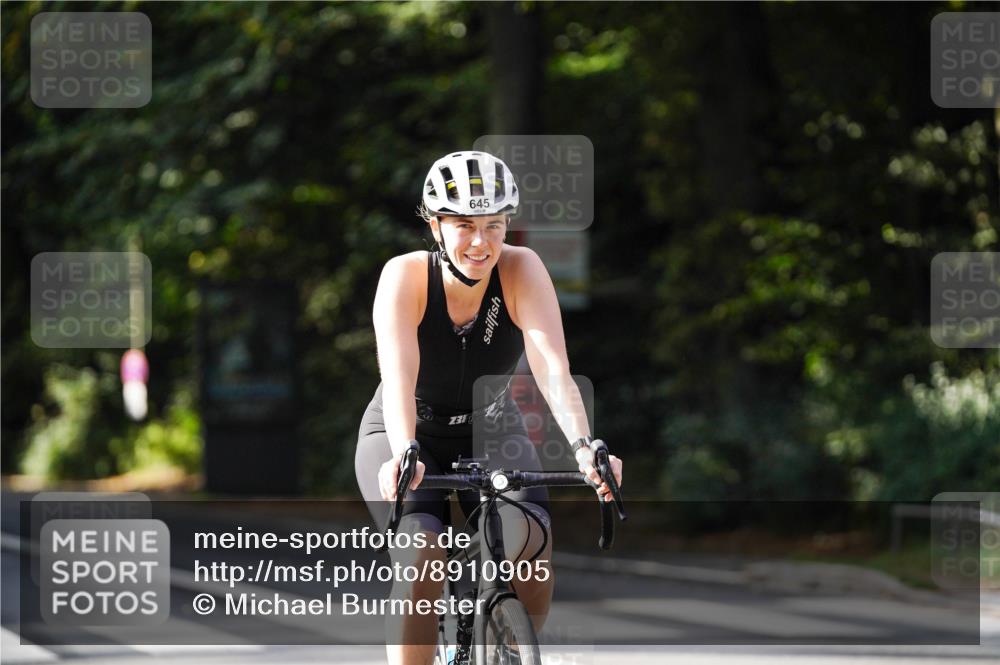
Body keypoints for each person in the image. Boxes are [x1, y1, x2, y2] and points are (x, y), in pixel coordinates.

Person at [354, 150, 623, 665]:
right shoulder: (404, 277)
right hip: (407, 427)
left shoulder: (522, 269)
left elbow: (551, 368)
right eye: (464, 225)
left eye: (495, 225)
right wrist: (405, 450)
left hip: (491, 426)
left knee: (533, 544)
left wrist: (586, 447)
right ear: (435, 226)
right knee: (422, 557)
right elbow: (398, 377)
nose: (481, 242)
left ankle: (508, 644)